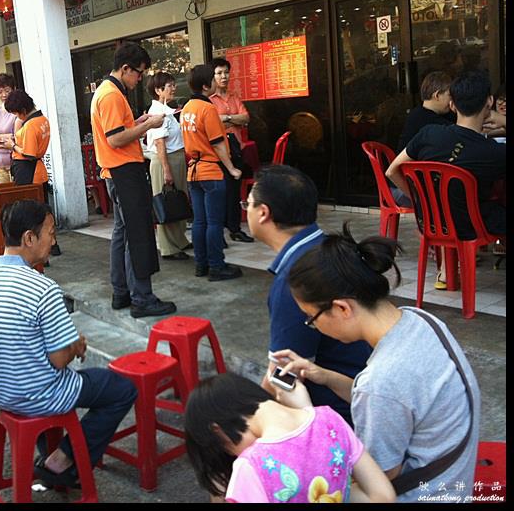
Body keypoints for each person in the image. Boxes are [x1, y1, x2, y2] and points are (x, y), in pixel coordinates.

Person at [276, 224, 480, 503]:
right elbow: (397, 401)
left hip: (425, 494)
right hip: (456, 480)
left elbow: (378, 481)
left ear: (342, 308)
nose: (313, 327)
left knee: (296, 485)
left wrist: (307, 415)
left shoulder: (381, 381)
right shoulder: (420, 320)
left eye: (311, 319)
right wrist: (322, 375)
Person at [0, 199, 137, 488]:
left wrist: (68, 345)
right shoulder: (42, 288)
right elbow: (59, 359)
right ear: (29, 238)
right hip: (35, 394)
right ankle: (66, 461)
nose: (54, 239)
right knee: (121, 389)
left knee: (45, 375)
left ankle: (50, 456)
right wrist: (74, 346)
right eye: (50, 232)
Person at [244, 165, 370, 425]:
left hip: (340, 416)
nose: (246, 210)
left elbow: (283, 376)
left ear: (263, 213)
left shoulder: (296, 280)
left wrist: (249, 416)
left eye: (248, 204)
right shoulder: (329, 247)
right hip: (362, 391)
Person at [184, 373, 395, 503]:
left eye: (225, 450)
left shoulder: (250, 466)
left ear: (217, 431)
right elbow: (382, 496)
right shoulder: (330, 420)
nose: (232, 454)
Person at [386, 70, 506, 285]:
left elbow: (391, 171)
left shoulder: (429, 133)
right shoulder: (492, 152)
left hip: (430, 222)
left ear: (452, 105)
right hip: (469, 226)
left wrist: (420, 199)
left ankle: (446, 272)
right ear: (489, 102)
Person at [90, 41, 176, 318]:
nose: (139, 79)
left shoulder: (107, 91)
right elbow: (115, 139)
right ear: (125, 68)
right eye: (138, 73)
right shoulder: (112, 95)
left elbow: (116, 132)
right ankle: (142, 297)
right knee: (138, 234)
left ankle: (121, 292)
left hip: (115, 171)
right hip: (123, 170)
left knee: (122, 233)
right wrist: (149, 125)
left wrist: (137, 123)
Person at [181, 64, 243, 282]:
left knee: (200, 221)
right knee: (215, 222)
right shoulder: (208, 109)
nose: (218, 81)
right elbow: (218, 144)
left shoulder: (187, 107)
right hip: (211, 170)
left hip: (194, 172)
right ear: (207, 85)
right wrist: (232, 168)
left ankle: (201, 264)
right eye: (214, 79)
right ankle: (217, 266)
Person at [2, 89, 61, 256]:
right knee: (42, 209)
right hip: (38, 169)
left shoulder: (29, 125)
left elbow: (29, 154)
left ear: (22, 110)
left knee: (28, 213)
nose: (16, 117)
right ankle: (53, 243)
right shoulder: (43, 120)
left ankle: (36, 248)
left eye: (16, 113)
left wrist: (11, 145)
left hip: (28, 170)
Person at [144, 71, 191, 260]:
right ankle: (168, 247)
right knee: (166, 202)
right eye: (169, 86)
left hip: (176, 158)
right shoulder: (157, 112)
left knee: (178, 199)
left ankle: (179, 239)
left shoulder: (167, 109)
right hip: (166, 160)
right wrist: (166, 170)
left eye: (173, 84)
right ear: (158, 90)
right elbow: (160, 143)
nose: (174, 88)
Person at [209, 57, 254, 244]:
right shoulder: (209, 100)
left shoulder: (234, 97)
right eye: (219, 73)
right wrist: (231, 118)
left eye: (226, 72)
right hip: (218, 151)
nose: (224, 76)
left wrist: (226, 118)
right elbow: (212, 122)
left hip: (236, 149)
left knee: (235, 190)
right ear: (212, 76)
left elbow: (245, 118)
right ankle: (219, 233)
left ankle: (235, 229)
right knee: (220, 192)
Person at [396, 71, 455, 152]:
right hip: (415, 164)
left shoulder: (418, 112)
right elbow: (460, 134)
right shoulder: (425, 119)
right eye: (450, 95)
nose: (452, 100)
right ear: (437, 95)